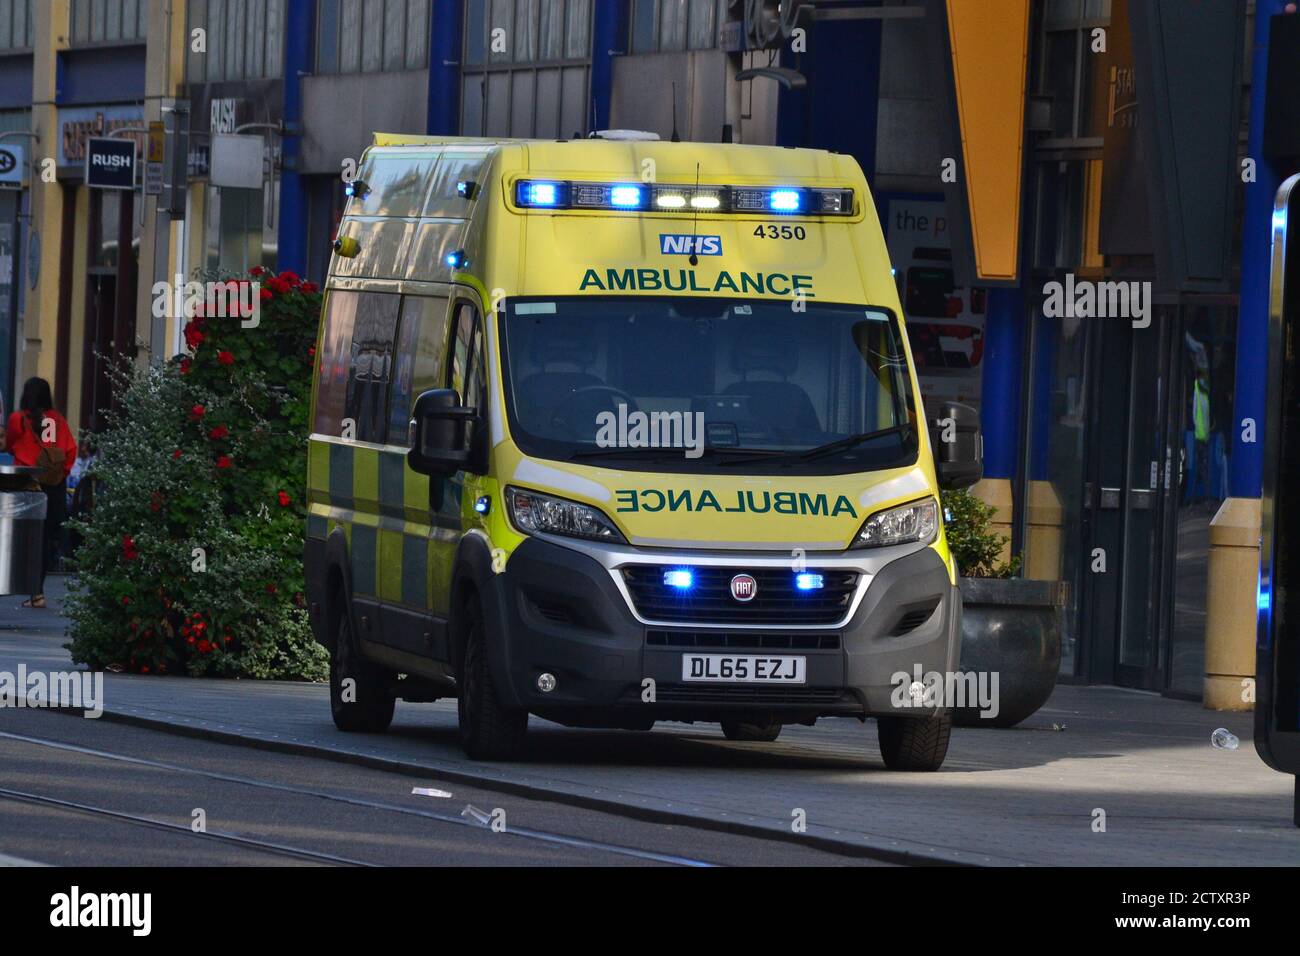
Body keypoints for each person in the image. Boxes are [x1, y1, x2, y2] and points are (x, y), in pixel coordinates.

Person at [3, 378, 77, 608]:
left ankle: (13, 582)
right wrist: (59, 474)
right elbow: (67, 450)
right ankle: (38, 592)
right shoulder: (55, 420)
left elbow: (10, 444)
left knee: (14, 535)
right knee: (43, 540)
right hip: (51, 486)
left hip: (23, 483)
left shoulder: (18, 419)